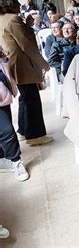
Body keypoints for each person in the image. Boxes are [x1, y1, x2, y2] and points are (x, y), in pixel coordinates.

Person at [0, 0, 53, 145]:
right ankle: (35, 136)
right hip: (21, 63)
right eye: (16, 0)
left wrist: (27, 25)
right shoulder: (14, 19)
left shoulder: (3, 18)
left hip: (13, 62)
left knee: (25, 98)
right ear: (10, 3)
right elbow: (27, 44)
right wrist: (43, 64)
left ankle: (23, 130)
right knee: (32, 99)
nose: (19, 4)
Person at [0, 46, 29, 181]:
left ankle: (10, 159)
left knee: (6, 129)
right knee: (7, 131)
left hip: (2, 95)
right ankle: (14, 161)